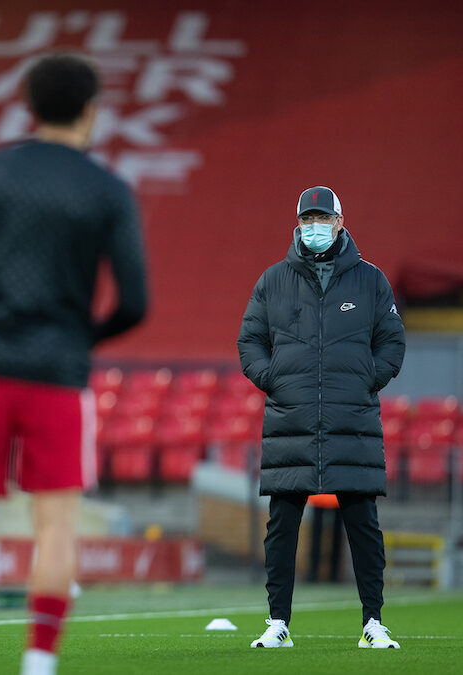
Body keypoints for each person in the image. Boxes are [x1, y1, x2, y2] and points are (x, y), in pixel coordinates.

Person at [0, 53, 148, 675]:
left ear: (29, 106)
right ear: (91, 112)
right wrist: (84, 337)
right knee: (56, 523)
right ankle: (38, 664)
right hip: (57, 370)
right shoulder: (108, 190)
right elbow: (136, 301)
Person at [238, 185, 406, 649]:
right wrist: (271, 378)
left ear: (339, 222)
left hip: (351, 415)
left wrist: (368, 379)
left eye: (322, 219)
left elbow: (392, 341)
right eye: (306, 220)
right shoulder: (273, 280)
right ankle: (278, 623)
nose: (314, 227)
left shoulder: (370, 280)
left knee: (363, 522)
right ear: (298, 225)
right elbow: (249, 339)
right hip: (291, 416)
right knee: (282, 524)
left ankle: (373, 621)